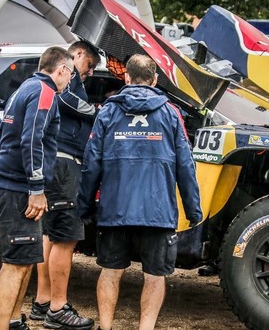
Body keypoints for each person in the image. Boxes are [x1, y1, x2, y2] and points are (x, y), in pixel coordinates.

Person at [78, 54, 203, 330]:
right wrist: (194, 211)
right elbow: (186, 166)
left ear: (126, 77)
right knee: (155, 276)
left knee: (110, 271)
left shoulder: (108, 112)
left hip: (114, 209)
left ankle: (106, 327)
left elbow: (91, 164)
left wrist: (84, 205)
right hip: (158, 212)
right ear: (155, 80)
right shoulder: (171, 114)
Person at [0, 46, 75, 330]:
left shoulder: (25, 87)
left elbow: (4, 136)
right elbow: (32, 140)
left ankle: (13, 322)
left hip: (13, 186)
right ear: (61, 69)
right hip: (17, 190)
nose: (70, 81)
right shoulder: (44, 92)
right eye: (70, 74)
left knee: (24, 262)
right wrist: (36, 189)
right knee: (14, 265)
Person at [31, 41, 99, 330]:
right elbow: (65, 99)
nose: (90, 72)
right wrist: (98, 109)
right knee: (66, 237)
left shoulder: (69, 78)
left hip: (57, 163)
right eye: (90, 65)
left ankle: (43, 301)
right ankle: (58, 308)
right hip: (64, 163)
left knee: (51, 234)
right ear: (78, 54)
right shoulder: (65, 77)